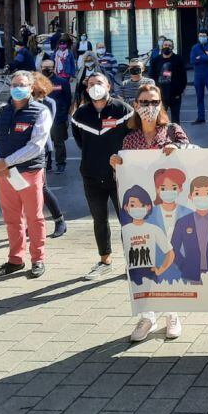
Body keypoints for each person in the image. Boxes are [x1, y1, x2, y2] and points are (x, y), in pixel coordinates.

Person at [110, 83, 191, 342]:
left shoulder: (172, 131)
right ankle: (147, 315)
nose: (149, 107)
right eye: (144, 102)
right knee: (141, 261)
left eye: (153, 102)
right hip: (141, 213)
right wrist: (117, 165)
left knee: (168, 259)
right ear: (136, 105)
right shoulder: (129, 138)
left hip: (168, 208)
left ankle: (172, 313)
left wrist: (178, 151)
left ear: (161, 104)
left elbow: (191, 158)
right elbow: (125, 178)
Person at [0, 70, 52, 280]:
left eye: (21, 84)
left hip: (28, 172)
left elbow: (36, 145)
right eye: (13, 84)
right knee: (12, 218)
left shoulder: (41, 111)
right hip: (4, 174)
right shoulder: (2, 110)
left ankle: (38, 259)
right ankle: (15, 259)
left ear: (31, 87)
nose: (17, 88)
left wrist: (6, 162)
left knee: (34, 218)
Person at [71, 72, 135, 279]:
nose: (95, 86)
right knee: (99, 219)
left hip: (119, 175)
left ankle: (132, 262)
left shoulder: (123, 110)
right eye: (91, 84)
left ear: (108, 85)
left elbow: (131, 137)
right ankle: (104, 259)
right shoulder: (80, 114)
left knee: (127, 219)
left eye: (99, 83)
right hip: (91, 175)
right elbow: (81, 141)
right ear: (86, 87)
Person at [29, 72, 67, 237]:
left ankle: (59, 220)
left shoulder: (48, 103)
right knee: (26, 189)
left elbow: (47, 125)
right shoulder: (19, 103)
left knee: (41, 188)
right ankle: (31, 223)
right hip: (20, 150)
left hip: (40, 149)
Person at [40, 58, 73, 174]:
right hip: (41, 118)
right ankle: (46, 164)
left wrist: (64, 115)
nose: (46, 70)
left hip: (57, 118)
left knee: (58, 142)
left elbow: (68, 100)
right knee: (44, 142)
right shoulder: (37, 82)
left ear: (53, 68)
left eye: (48, 68)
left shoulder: (62, 82)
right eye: (44, 68)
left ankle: (60, 164)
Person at [148, 38, 187, 123]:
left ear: (172, 47)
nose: (167, 47)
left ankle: (176, 135)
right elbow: (151, 76)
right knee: (160, 119)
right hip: (160, 94)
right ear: (162, 46)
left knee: (175, 119)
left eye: (169, 45)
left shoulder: (178, 59)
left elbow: (183, 77)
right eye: (165, 45)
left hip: (175, 94)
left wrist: (180, 90)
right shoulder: (156, 60)